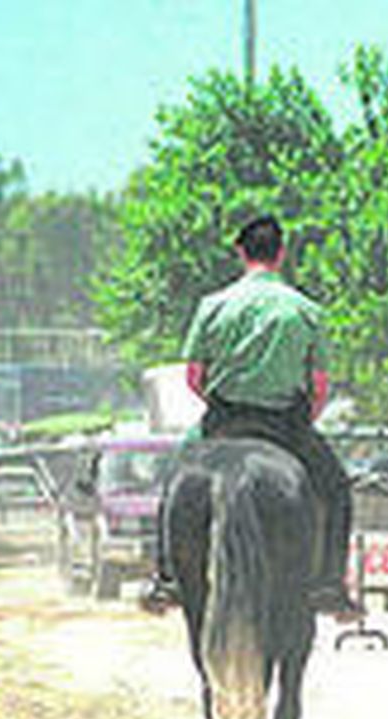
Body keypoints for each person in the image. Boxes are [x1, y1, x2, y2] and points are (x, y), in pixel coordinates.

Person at [143, 213, 358, 616]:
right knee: (336, 489)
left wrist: (220, 401)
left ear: (241, 253)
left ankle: (167, 577)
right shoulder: (306, 311)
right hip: (285, 425)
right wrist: (303, 421)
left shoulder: (213, 306)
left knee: (174, 481)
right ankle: (331, 582)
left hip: (223, 421)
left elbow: (194, 377)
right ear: (282, 253)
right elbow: (319, 387)